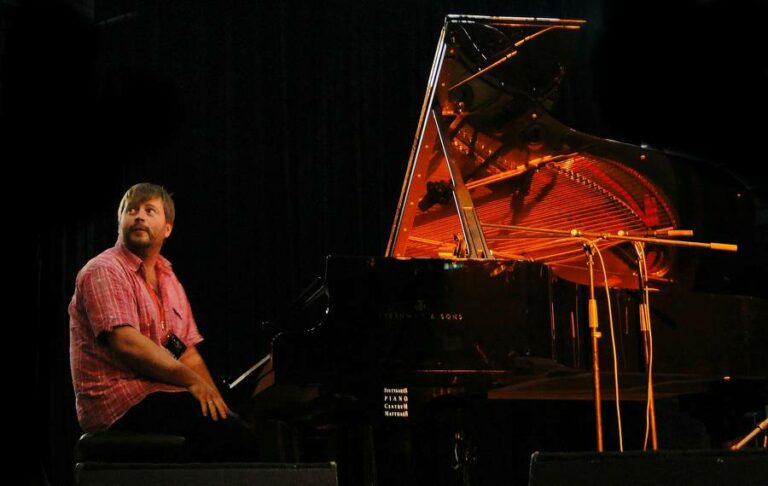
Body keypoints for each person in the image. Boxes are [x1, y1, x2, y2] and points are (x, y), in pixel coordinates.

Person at [69, 182, 258, 461]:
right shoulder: (104, 270)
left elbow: (183, 350)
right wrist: (191, 381)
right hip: (120, 402)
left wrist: (217, 401)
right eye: (131, 210)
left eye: (149, 210)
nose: (139, 216)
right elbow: (127, 343)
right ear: (120, 222)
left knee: (238, 425)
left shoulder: (168, 280)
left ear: (167, 228)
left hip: (158, 394)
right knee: (231, 438)